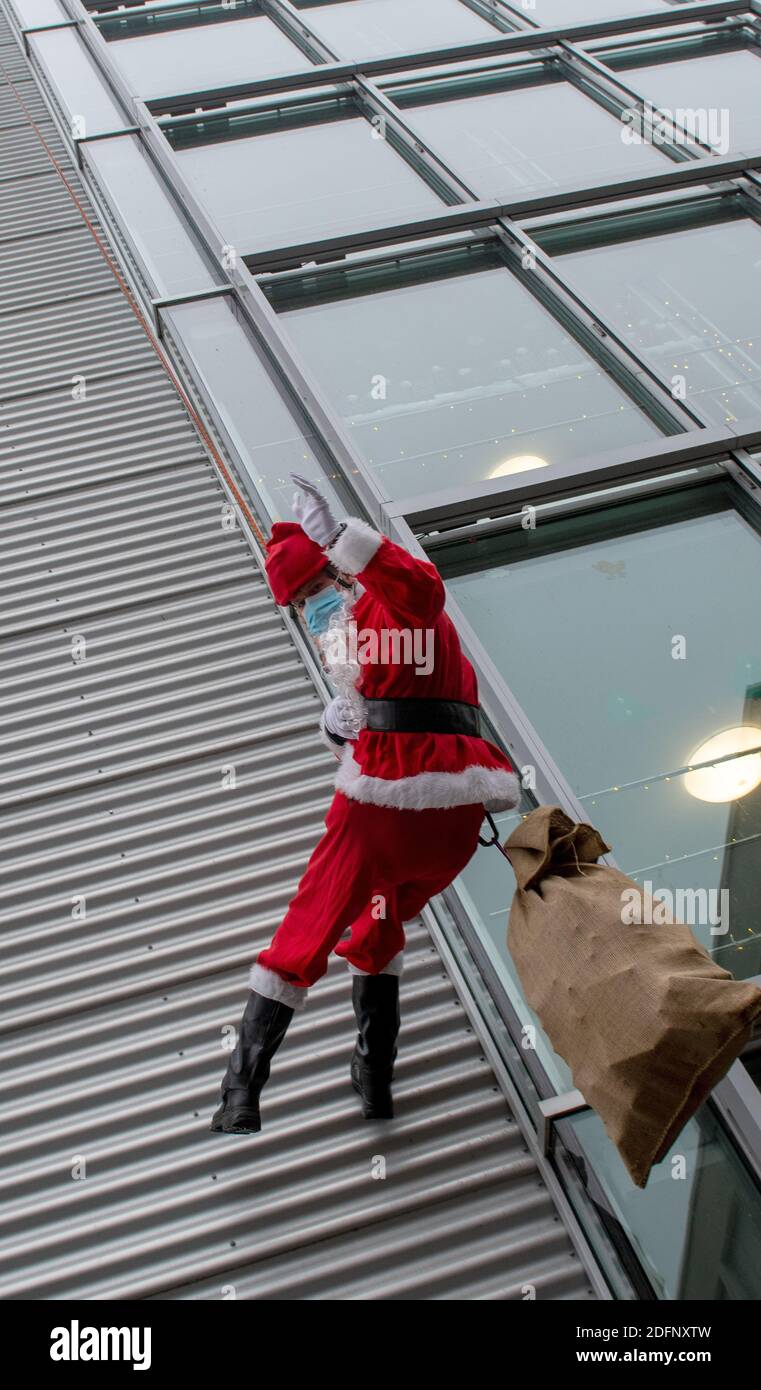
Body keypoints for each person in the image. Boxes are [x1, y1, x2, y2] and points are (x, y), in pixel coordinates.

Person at [210, 475, 520, 1135]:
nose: (314, 612)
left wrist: (337, 536)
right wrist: (341, 726)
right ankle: (373, 1073)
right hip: (450, 826)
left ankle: (240, 1086)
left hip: (382, 811)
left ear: (345, 579)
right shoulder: (364, 659)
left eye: (318, 591)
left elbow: (417, 588)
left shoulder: (387, 611)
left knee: (308, 926)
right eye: (301, 606)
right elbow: (383, 696)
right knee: (380, 926)